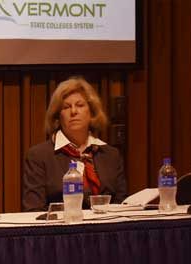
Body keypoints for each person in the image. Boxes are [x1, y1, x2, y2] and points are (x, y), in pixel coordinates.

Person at [22, 77, 127, 211]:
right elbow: (33, 210)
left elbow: (122, 205)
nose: (73, 112)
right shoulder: (39, 156)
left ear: (92, 112)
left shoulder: (111, 155)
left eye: (80, 105)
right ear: (58, 116)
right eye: (66, 107)